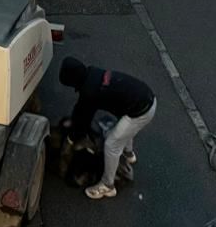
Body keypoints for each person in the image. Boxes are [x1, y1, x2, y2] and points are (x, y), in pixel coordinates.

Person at [57, 56, 156, 200]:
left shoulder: (89, 91)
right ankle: (128, 154)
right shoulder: (93, 74)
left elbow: (83, 116)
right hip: (146, 97)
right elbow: (82, 109)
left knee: (111, 145)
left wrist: (71, 138)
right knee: (124, 127)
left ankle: (107, 186)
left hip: (141, 111)